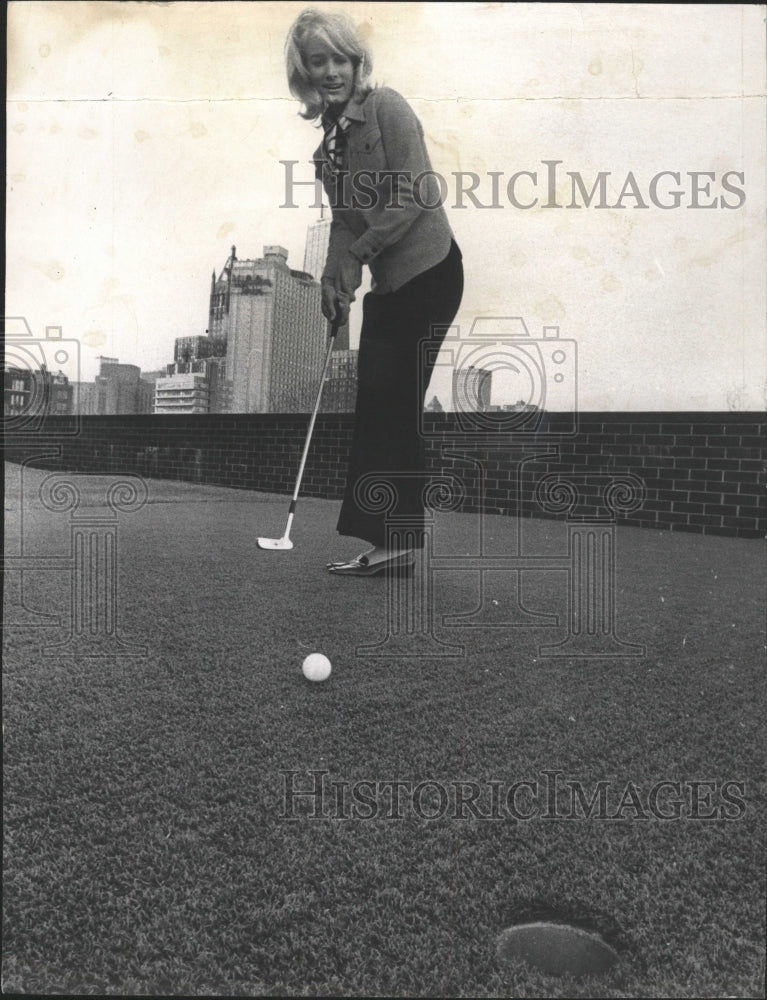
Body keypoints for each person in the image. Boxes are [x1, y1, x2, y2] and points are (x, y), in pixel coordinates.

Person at [285, 7, 464, 576]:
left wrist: (359, 260)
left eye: (341, 58)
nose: (332, 70)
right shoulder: (327, 152)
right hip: (391, 279)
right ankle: (387, 543)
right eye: (320, 60)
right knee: (375, 401)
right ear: (305, 72)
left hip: (431, 270)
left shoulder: (387, 106)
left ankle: (400, 542)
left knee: (396, 403)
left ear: (356, 62)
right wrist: (334, 283)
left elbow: (415, 193)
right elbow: (345, 223)